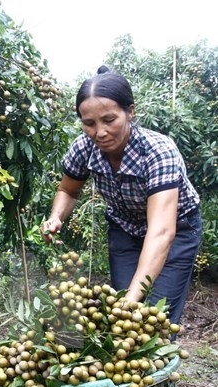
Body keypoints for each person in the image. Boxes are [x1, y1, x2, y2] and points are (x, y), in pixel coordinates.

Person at [41, 66, 202, 325]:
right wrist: (56, 217)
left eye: (109, 120)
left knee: (153, 319)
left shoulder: (157, 152)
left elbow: (161, 231)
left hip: (175, 232)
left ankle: (155, 362)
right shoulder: (83, 148)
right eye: (89, 123)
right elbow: (68, 190)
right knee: (122, 319)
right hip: (125, 229)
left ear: (130, 112)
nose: (100, 133)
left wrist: (132, 299)